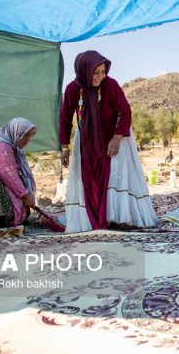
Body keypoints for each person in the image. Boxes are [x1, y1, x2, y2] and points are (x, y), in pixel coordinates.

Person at [59, 50, 157, 232]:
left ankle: (118, 217)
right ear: (84, 70)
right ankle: (91, 220)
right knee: (89, 180)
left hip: (115, 136)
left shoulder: (110, 85)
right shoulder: (74, 89)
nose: (101, 77)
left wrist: (117, 138)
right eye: (96, 73)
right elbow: (65, 119)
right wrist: (64, 147)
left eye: (103, 72)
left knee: (114, 176)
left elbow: (126, 112)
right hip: (87, 141)